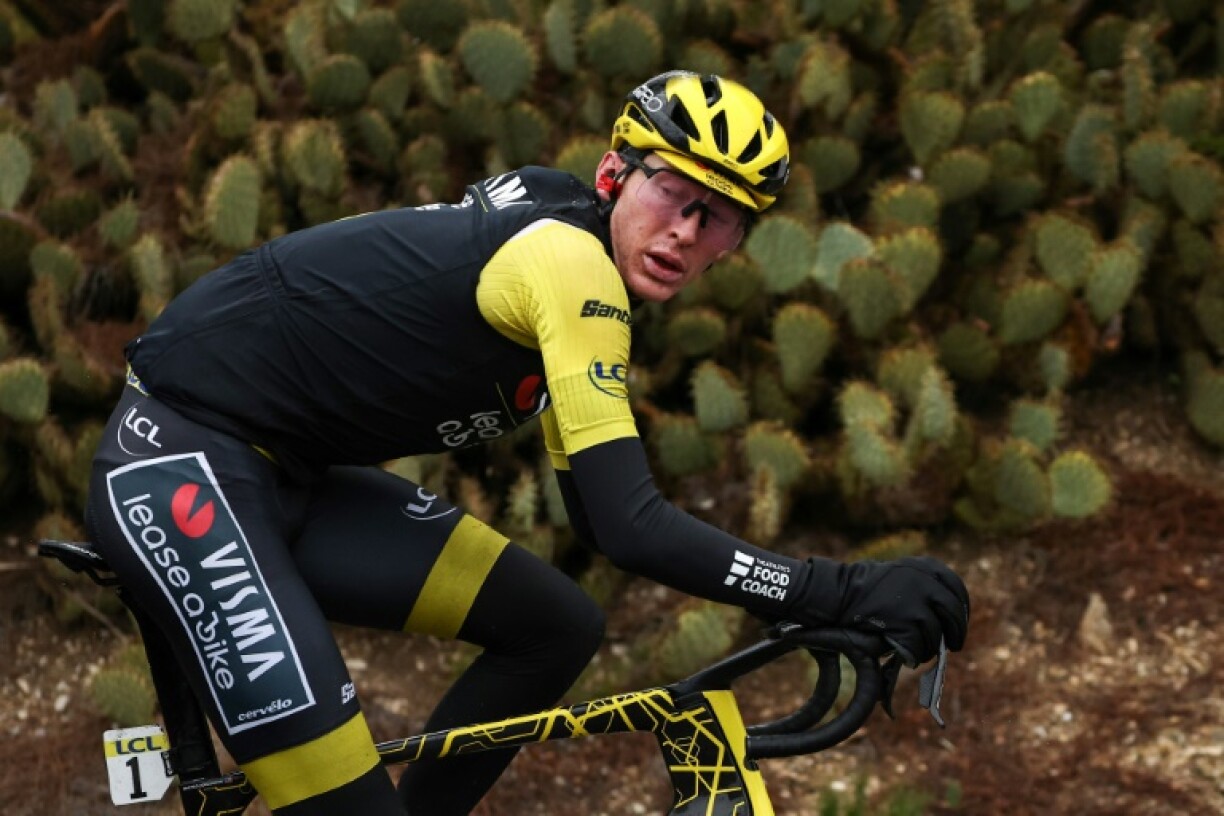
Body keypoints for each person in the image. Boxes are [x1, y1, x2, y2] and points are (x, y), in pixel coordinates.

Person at [85, 70, 970, 815]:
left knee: (554, 625)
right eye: (673, 193)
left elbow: (592, 512)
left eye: (720, 218)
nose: (686, 233)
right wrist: (835, 589)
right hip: (183, 466)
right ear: (614, 173)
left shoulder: (571, 233)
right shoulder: (572, 268)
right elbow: (630, 523)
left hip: (291, 478)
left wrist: (796, 600)